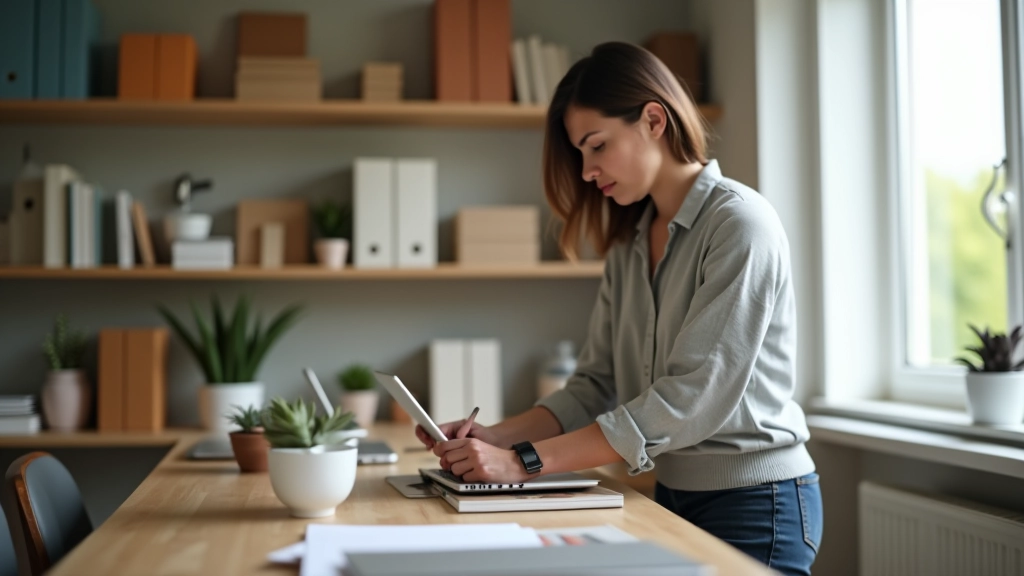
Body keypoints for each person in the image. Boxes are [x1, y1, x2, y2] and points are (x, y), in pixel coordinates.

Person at [415, 41, 822, 576]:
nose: (586, 171)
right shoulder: (631, 246)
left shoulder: (741, 225)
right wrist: (498, 436)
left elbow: (689, 398)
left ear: (654, 119)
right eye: (580, 154)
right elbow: (594, 384)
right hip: (673, 494)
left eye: (596, 146)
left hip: (756, 501)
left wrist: (523, 463)